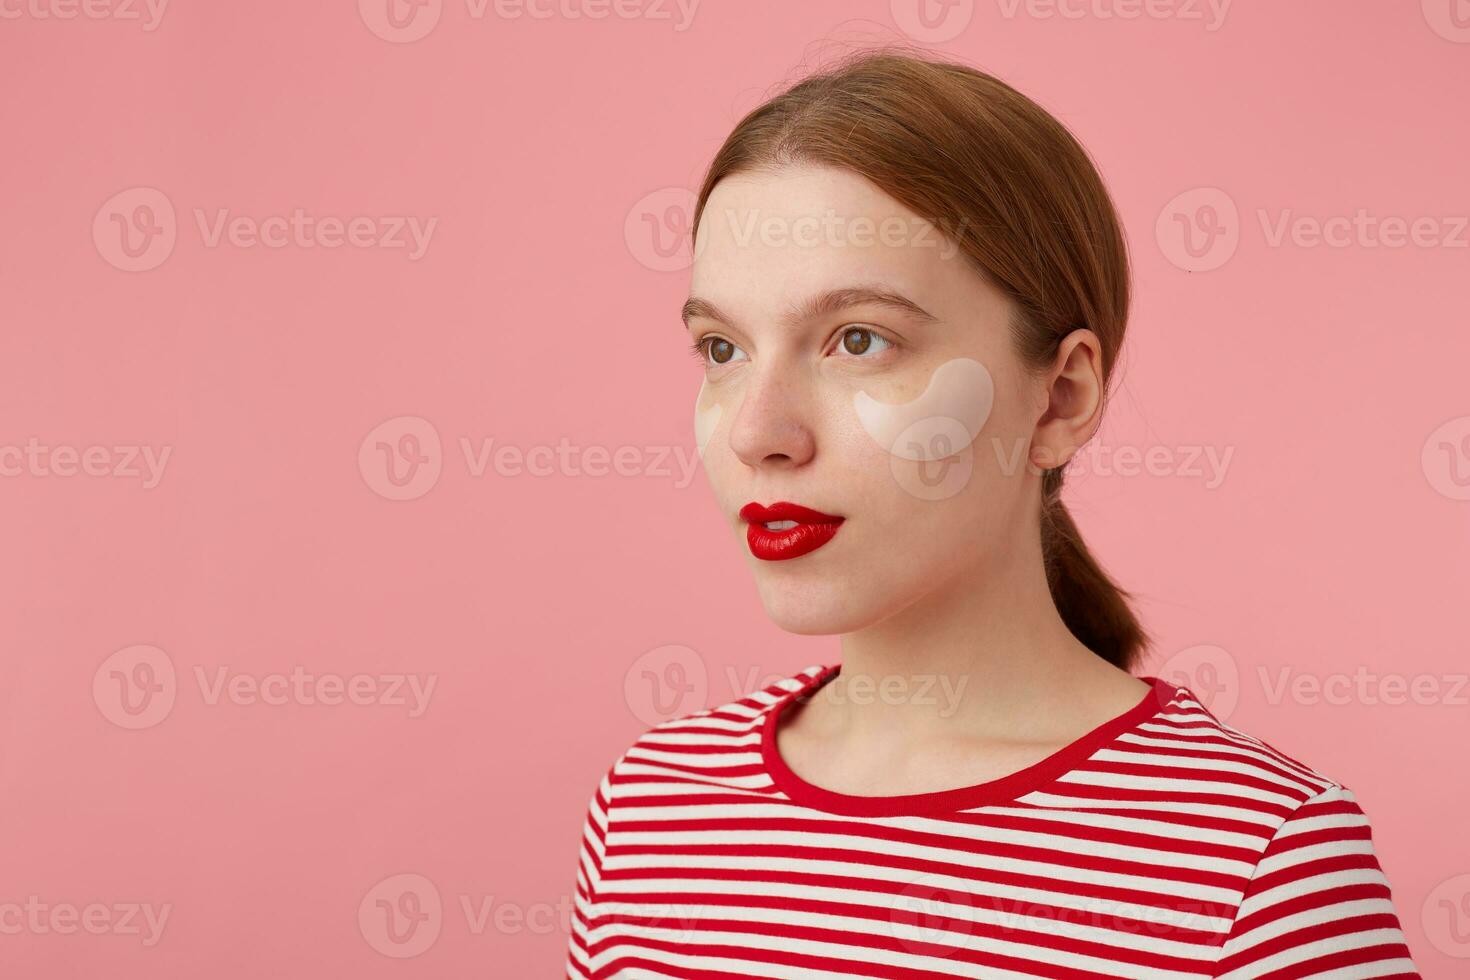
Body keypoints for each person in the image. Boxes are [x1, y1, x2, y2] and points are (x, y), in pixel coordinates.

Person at [565, 48, 1418, 979]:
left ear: (1058, 398)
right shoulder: (652, 811)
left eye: (859, 340)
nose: (759, 432)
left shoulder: (1258, 864)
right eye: (721, 349)